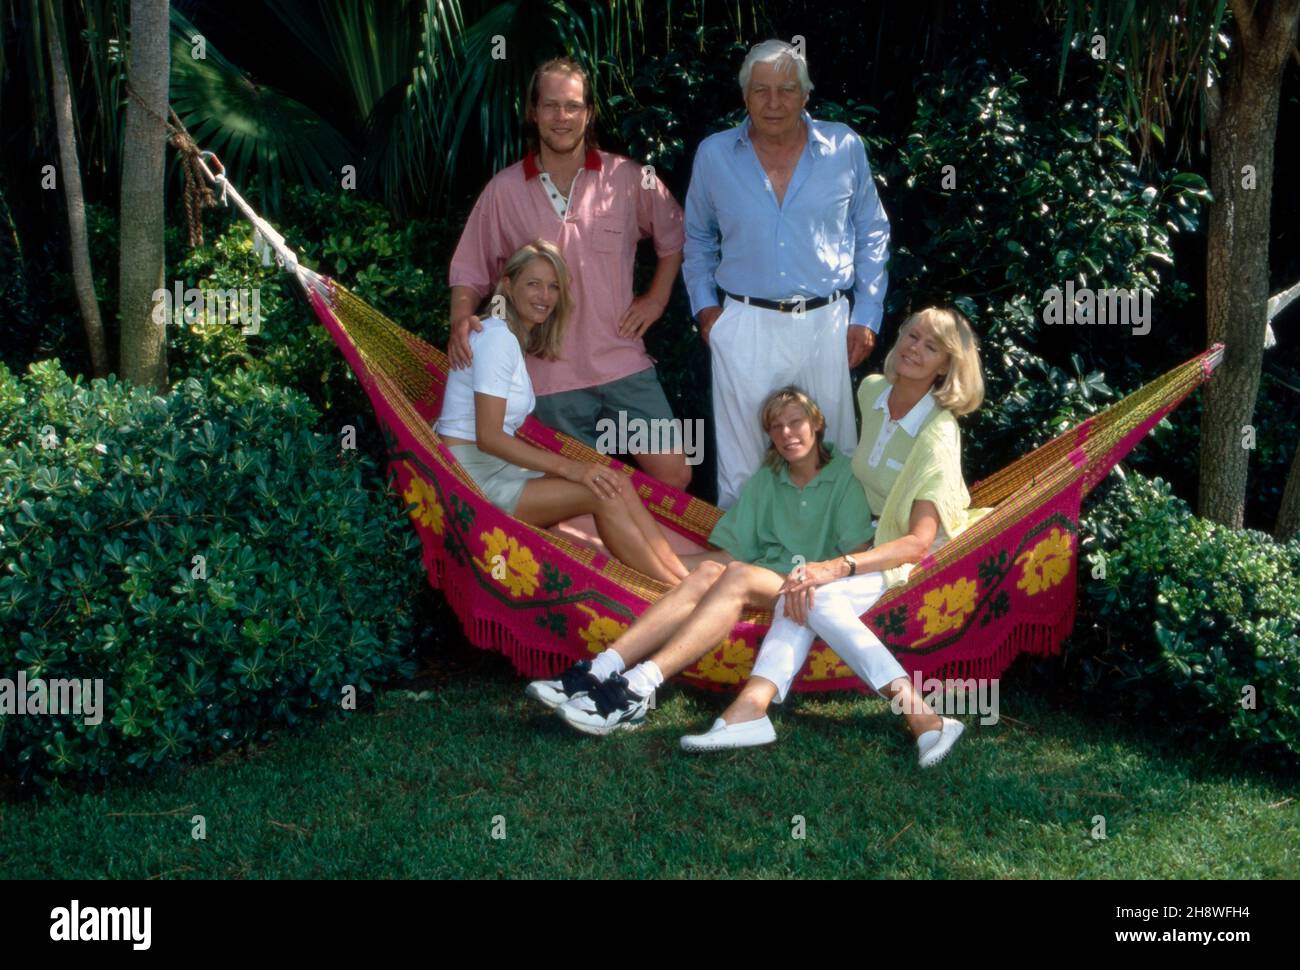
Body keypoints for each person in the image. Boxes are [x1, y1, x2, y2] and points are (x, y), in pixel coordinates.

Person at [680, 306, 985, 768]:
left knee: (814, 592)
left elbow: (918, 542)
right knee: (803, 590)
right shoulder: (873, 392)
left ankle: (921, 715)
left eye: (931, 346)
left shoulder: (938, 434)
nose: (914, 348)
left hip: (911, 554)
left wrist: (837, 566)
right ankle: (751, 710)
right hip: (869, 537)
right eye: (912, 335)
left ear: (946, 365)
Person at [526, 386, 874, 734]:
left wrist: (818, 576)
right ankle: (599, 669)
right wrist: (655, 560)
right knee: (710, 569)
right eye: (776, 426)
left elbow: (855, 554)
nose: (786, 433)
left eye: (795, 422)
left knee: (734, 574)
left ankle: (636, 688)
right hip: (761, 578)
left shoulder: (843, 477)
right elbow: (728, 554)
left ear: (817, 423)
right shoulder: (768, 479)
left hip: (812, 587)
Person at [447, 57, 692, 490]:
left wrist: (655, 299)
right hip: (545, 374)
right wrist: (460, 317)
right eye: (551, 106)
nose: (562, 117)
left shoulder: (628, 178)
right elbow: (470, 267)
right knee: (574, 491)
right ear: (533, 112)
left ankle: (656, 554)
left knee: (674, 473)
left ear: (589, 112)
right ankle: (605, 559)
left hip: (621, 360)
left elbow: (674, 236)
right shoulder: (503, 190)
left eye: (573, 106)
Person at [683, 39, 891, 508]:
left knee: (834, 450)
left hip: (827, 323)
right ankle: (748, 571)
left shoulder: (844, 147)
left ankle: (837, 568)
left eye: (786, 90)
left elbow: (872, 229)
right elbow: (695, 238)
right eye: (761, 91)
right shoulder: (715, 155)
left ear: (805, 95)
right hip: (745, 324)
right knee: (743, 468)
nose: (773, 103)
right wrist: (706, 310)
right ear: (745, 97)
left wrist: (868, 312)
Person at [437, 240, 689, 586]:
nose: (545, 295)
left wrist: (579, 470)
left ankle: (677, 572)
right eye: (533, 283)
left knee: (610, 479)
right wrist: (571, 468)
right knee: (598, 491)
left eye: (553, 286)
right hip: (473, 477)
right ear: (507, 285)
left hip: (497, 469)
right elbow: (490, 437)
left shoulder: (508, 337)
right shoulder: (497, 339)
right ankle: (672, 588)